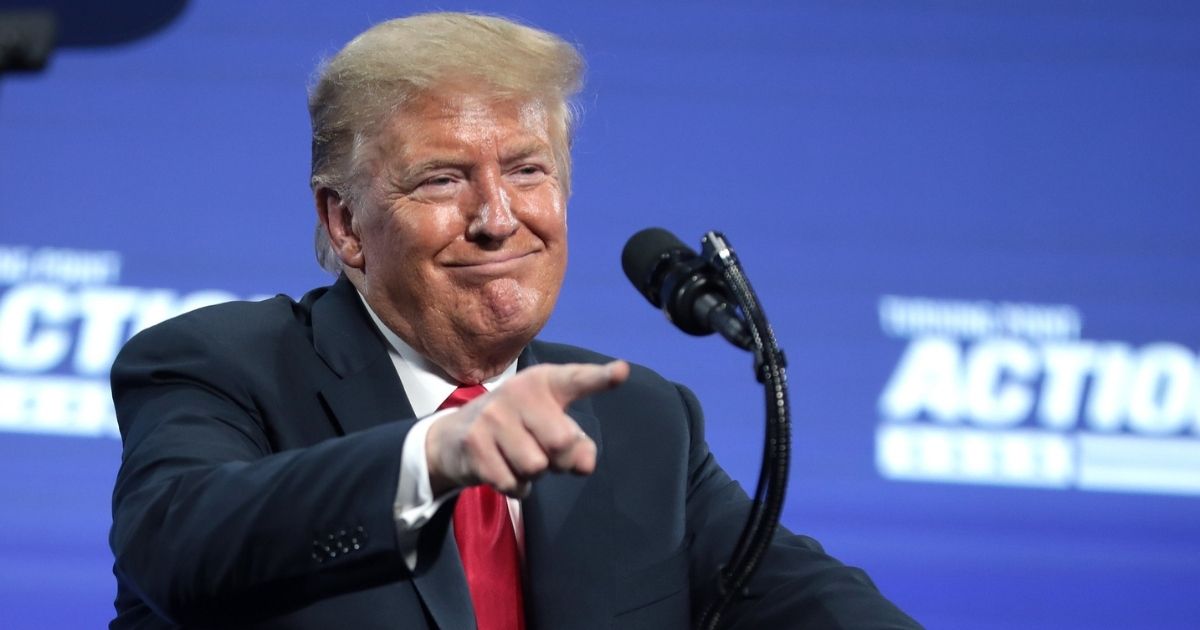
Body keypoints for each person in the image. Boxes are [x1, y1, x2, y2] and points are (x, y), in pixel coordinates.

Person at [108, 12, 921, 629]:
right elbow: (178, 546)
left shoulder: (639, 421)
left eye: (528, 171)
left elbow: (809, 602)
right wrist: (433, 454)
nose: (499, 217)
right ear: (346, 223)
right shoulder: (218, 365)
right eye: (441, 180)